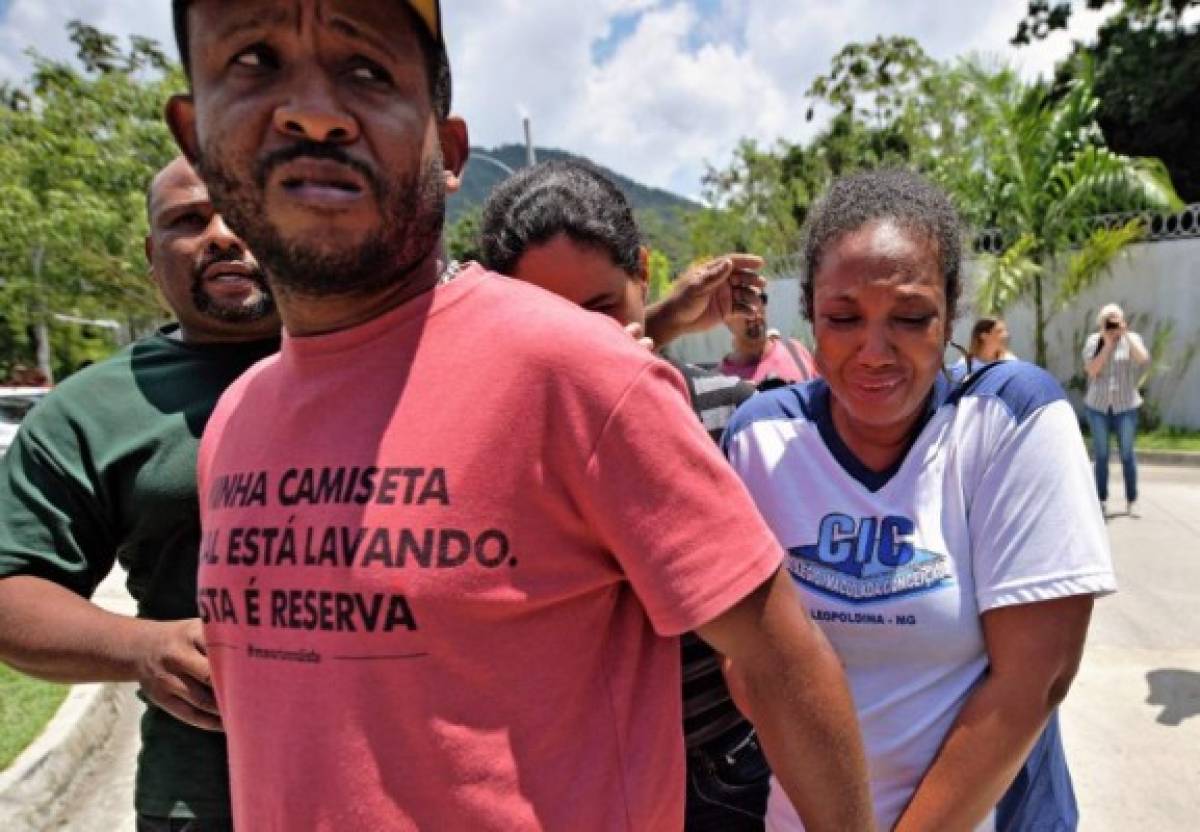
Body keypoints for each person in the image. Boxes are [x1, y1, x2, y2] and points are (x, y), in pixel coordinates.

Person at [166, 2, 873, 830]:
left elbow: (779, 663)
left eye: (367, 70)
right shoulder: (235, 423)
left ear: (449, 148)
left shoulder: (582, 374)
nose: (313, 110)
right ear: (194, 138)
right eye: (253, 60)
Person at [722, 169, 1116, 831]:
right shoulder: (761, 440)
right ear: (811, 315)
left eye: (909, 317)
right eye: (844, 318)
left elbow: (1035, 681)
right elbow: (750, 666)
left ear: (952, 309)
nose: (875, 351)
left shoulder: (1011, 418)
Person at [480, 159, 770, 831]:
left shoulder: (729, 412)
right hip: (568, 782)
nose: (584, 339)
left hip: (721, 773)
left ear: (642, 271)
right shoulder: (485, 451)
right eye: (547, 317)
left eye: (602, 308)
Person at [0, 156, 279, 830]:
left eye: (244, 213)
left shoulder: (383, 362)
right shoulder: (92, 411)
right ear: (154, 258)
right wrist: (142, 648)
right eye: (188, 220)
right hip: (207, 798)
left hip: (409, 782)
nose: (220, 234)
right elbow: (12, 587)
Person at [1083, 303, 1150, 516]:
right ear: (1101, 323)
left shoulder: (1132, 339)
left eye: (1116, 319)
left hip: (1125, 405)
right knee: (1101, 455)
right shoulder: (1094, 341)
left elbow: (1143, 359)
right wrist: (1107, 343)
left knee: (1127, 454)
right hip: (1098, 406)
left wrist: (1125, 333)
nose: (1112, 324)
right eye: (1108, 320)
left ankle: (1132, 500)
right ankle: (1100, 499)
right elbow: (1092, 370)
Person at [719, 292, 816, 388]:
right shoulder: (721, 383)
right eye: (742, 304)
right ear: (724, 317)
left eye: (758, 299)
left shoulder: (795, 351)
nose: (754, 310)